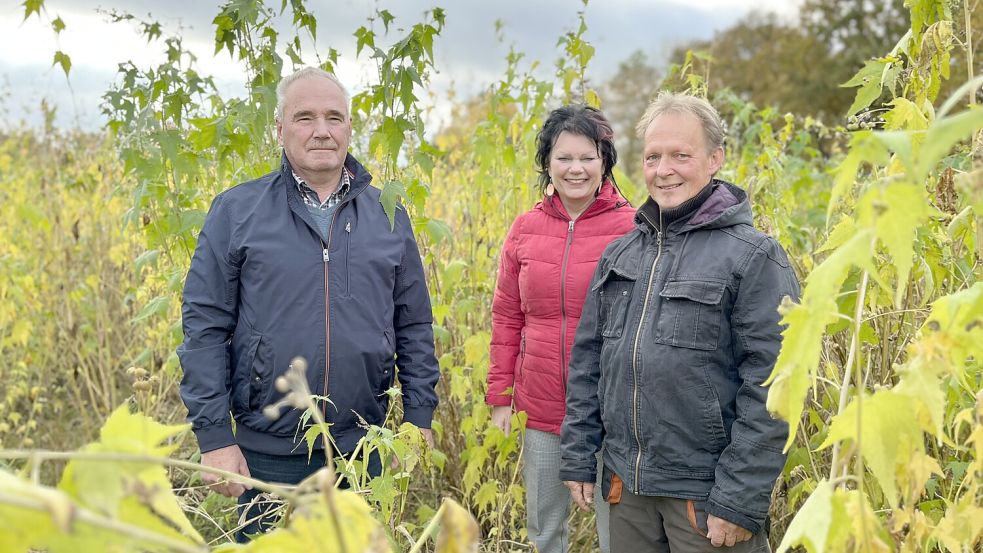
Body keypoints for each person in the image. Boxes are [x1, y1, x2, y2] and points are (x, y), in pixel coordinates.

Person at [177, 67, 439, 541]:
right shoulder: (237, 211)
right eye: (305, 117)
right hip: (267, 452)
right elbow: (205, 328)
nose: (322, 130)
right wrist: (215, 438)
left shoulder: (388, 215)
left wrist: (418, 419)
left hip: (363, 450)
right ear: (279, 129)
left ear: (349, 129)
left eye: (334, 117)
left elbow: (414, 323)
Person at [559, 92, 800, 552]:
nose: (663, 169)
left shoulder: (754, 257)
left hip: (706, 496)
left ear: (715, 159)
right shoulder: (621, 254)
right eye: (653, 156)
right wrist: (577, 456)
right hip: (624, 488)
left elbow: (776, 387)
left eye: (680, 155)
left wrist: (739, 498)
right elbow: (589, 363)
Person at [486, 105, 636, 553]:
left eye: (587, 157)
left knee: (619, 536)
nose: (576, 169)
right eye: (564, 158)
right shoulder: (525, 229)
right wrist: (501, 394)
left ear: (605, 160)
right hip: (544, 407)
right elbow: (507, 314)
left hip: (613, 412)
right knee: (546, 532)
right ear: (547, 163)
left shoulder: (632, 228)